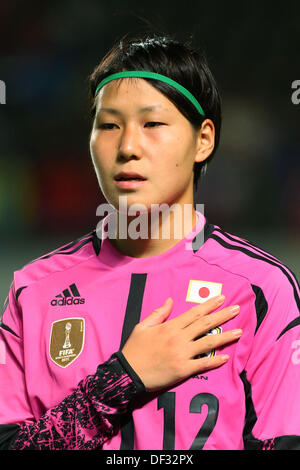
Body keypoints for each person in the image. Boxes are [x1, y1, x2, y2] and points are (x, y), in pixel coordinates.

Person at [0, 32, 299, 451]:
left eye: (152, 124)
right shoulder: (33, 291)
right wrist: (124, 377)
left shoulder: (261, 290)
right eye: (108, 125)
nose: (127, 147)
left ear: (204, 140)